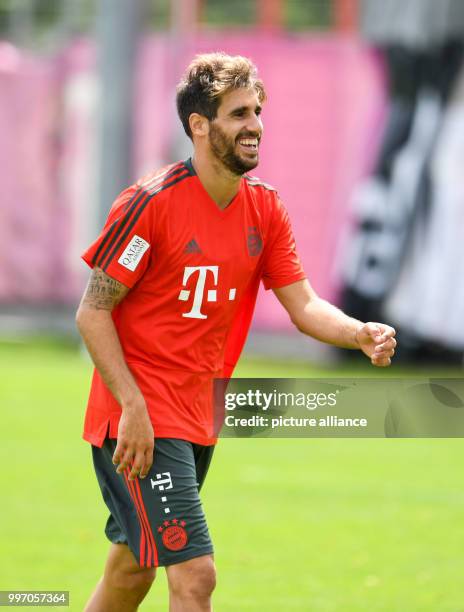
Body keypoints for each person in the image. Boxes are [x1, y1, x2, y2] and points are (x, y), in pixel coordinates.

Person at [76, 52, 397, 612]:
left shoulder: (265, 209)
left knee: (133, 570)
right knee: (195, 576)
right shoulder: (148, 206)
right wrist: (131, 406)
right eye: (238, 113)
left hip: (201, 415)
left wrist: (358, 333)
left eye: (257, 111)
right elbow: (92, 311)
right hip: (141, 419)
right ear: (199, 125)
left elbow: (304, 304)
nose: (255, 126)